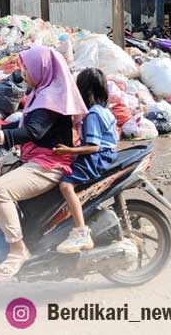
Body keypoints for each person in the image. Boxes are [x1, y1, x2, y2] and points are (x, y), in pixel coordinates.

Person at [0, 45, 87, 276]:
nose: (23, 74)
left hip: (49, 165)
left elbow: (35, 131)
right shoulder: (41, 93)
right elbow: (27, 124)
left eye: (27, 69)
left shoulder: (51, 98)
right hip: (36, 159)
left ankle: (18, 249)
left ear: (41, 69)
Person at [52, 68, 117, 254]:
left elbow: (94, 147)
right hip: (106, 153)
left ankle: (81, 231)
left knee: (65, 185)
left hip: (98, 156)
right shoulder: (102, 110)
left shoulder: (93, 115)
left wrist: (69, 150)